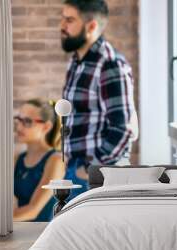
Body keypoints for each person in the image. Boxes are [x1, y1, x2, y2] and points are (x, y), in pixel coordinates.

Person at [60, 0, 137, 200]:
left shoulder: (110, 65)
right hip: (76, 169)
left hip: (98, 176)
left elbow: (123, 129)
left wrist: (92, 169)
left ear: (91, 26)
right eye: (63, 18)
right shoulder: (76, 62)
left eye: (69, 20)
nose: (62, 26)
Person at [14, 99, 65, 222]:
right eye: (19, 120)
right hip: (19, 230)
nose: (19, 127)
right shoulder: (17, 159)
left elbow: (33, 210)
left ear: (46, 127)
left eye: (27, 121)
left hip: (40, 232)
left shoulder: (55, 161)